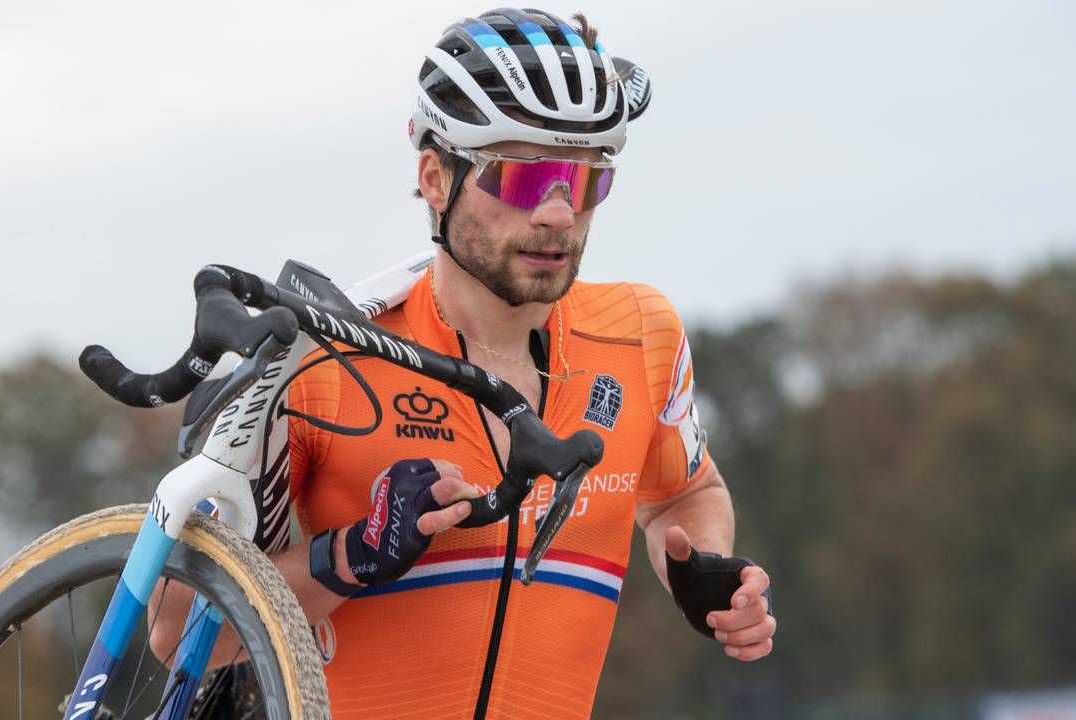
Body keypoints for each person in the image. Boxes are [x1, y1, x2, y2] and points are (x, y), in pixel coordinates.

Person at [153, 8, 775, 719]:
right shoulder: (322, 358)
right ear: (436, 177)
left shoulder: (642, 335)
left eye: (583, 180)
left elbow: (682, 492)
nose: (556, 213)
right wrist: (352, 555)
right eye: (520, 176)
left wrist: (700, 563)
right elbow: (177, 632)